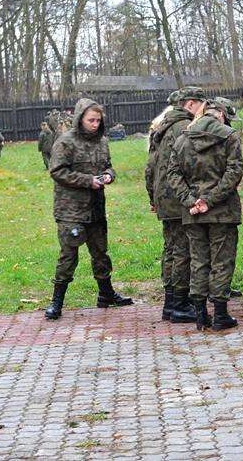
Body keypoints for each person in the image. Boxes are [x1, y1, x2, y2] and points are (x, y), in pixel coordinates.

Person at [44, 98, 133, 320]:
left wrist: (108, 175)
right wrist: (87, 180)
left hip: (96, 207)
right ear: (80, 118)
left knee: (100, 252)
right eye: (91, 120)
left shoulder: (102, 142)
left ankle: (106, 294)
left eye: (98, 120)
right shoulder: (65, 142)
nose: (95, 124)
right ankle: (56, 302)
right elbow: (57, 171)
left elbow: (108, 166)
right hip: (71, 210)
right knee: (68, 256)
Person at [168, 98, 243, 331]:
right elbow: (234, 172)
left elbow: (173, 175)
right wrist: (210, 200)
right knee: (222, 261)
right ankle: (220, 315)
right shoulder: (229, 136)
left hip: (193, 212)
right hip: (222, 211)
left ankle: (200, 315)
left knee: (198, 261)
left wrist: (191, 200)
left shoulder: (182, 140)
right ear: (221, 114)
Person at [145, 87, 207, 323]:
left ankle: (170, 303)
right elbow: (191, 165)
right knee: (183, 250)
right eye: (202, 104)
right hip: (180, 198)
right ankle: (180, 303)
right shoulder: (185, 127)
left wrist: (153, 197)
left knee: (171, 249)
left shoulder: (162, 127)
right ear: (191, 104)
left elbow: (150, 168)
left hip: (165, 198)